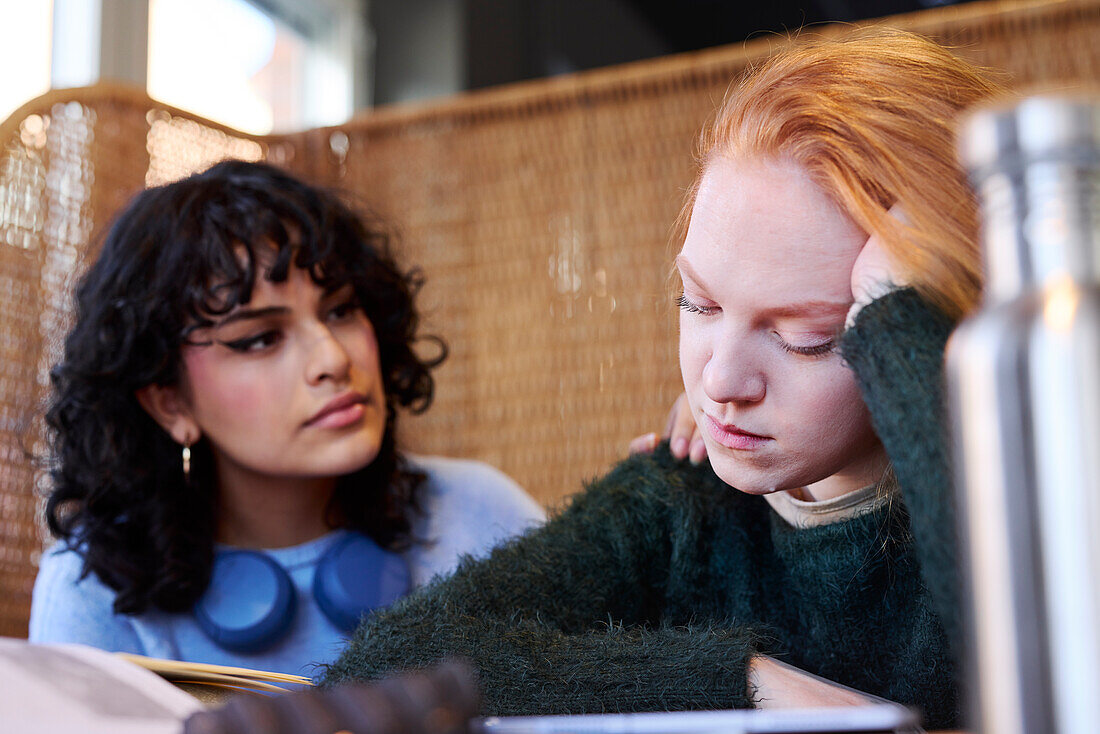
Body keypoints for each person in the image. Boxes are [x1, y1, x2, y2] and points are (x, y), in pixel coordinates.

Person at [318, 29, 1004, 730]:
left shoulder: (1031, 497)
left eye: (807, 338)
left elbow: (1037, 640)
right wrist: (742, 680)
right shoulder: (681, 497)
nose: (721, 381)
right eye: (699, 303)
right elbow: (386, 664)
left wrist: (903, 324)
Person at [28, 160, 545, 676]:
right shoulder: (90, 590)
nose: (333, 360)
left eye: (341, 310)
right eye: (260, 339)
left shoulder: (480, 512)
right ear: (171, 403)